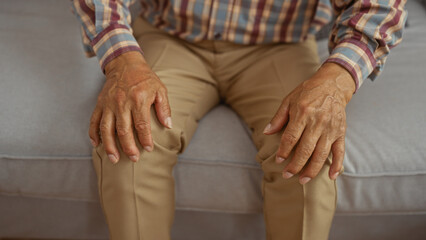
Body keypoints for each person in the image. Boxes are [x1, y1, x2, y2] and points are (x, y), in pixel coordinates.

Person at [72, 0, 407, 239]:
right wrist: (122, 61)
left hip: (281, 45)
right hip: (170, 34)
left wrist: (336, 82)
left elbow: (378, 6)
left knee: (307, 158)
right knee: (128, 143)